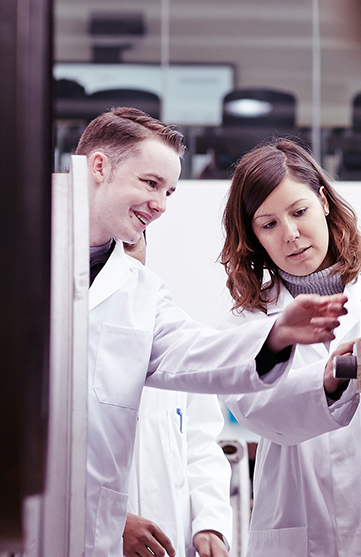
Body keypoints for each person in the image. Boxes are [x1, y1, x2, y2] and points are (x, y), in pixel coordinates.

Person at [76, 107, 349, 557]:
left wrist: (276, 336)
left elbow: (197, 353)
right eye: (151, 184)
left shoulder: (140, 292)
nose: (162, 204)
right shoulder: (11, 258)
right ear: (100, 167)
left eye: (169, 191)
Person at [220, 139, 361, 557]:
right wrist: (325, 381)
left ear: (323, 201)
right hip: (298, 530)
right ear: (254, 238)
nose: (290, 235)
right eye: (268, 225)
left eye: (299, 211)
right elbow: (258, 411)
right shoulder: (249, 320)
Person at [122, 236, 232, 557]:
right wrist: (112, 523)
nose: (122, 259)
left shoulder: (177, 338)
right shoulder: (61, 339)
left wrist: (209, 524)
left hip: (172, 544)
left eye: (130, 244)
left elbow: (200, 445)